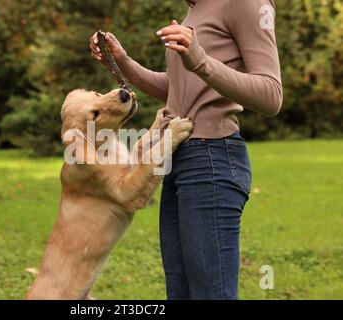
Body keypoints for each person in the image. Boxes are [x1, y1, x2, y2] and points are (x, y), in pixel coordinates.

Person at [89, 0, 282, 300]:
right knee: (179, 293)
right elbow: (178, 88)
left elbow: (271, 95)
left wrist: (200, 58)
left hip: (212, 159)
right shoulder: (195, 8)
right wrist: (123, 61)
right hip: (178, 157)